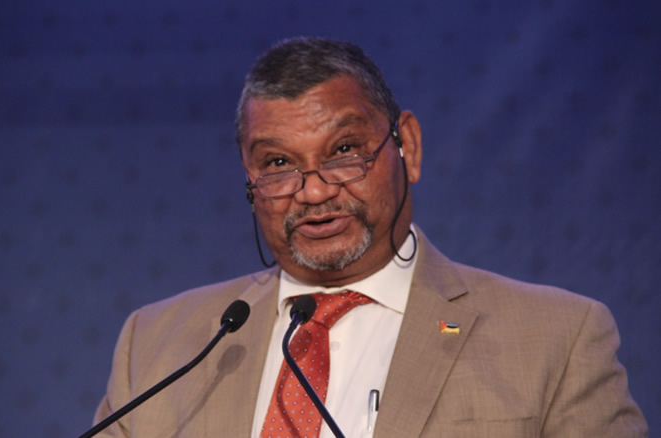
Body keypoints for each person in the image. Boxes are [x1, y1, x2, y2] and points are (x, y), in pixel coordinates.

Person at [93, 37, 647, 437]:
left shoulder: (557, 339)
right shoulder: (158, 346)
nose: (313, 191)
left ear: (408, 146)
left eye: (344, 151)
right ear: (249, 179)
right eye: (279, 163)